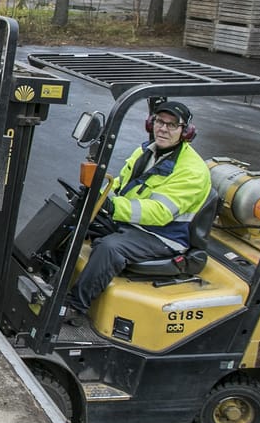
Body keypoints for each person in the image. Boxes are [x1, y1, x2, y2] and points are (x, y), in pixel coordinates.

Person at [65, 100, 211, 325]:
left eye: (172, 125)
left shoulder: (192, 171)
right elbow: (121, 184)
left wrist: (113, 207)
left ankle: (75, 307)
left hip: (163, 236)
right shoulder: (146, 151)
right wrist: (99, 195)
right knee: (73, 216)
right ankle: (50, 277)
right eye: (160, 121)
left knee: (110, 248)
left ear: (186, 132)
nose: (163, 128)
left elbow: (160, 212)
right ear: (151, 123)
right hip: (135, 224)